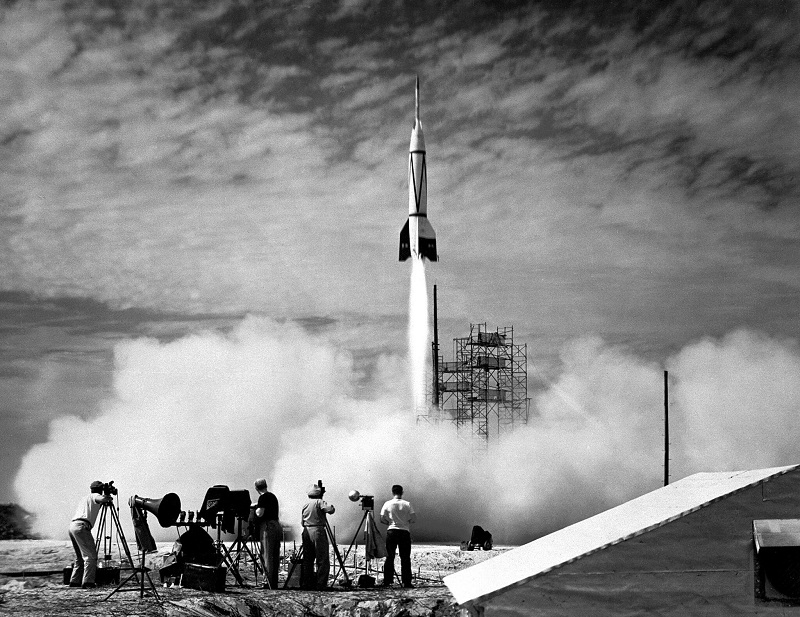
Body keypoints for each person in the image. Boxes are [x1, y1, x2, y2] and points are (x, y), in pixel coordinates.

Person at [68, 481, 113, 588]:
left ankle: (75, 581)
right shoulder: (95, 496)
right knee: (91, 556)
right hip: (82, 527)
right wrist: (107, 496)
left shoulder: (85, 498)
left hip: (73, 525)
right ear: (100, 489)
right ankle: (88, 582)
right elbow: (103, 499)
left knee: (80, 557)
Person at [380, 484, 416, 588]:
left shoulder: (387, 504)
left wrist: (390, 522)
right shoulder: (407, 504)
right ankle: (406, 582)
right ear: (402, 492)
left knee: (390, 557)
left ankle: (387, 581)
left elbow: (382, 518)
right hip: (404, 532)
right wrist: (405, 522)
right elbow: (414, 518)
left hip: (391, 531)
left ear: (392, 492)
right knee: (405, 557)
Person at [301, 482, 335, 590]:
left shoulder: (305, 504)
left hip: (306, 530)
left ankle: (307, 583)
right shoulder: (319, 502)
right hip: (317, 530)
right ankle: (321, 583)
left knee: (308, 559)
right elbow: (330, 510)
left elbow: (302, 521)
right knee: (322, 558)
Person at [253, 478, 281, 589]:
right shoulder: (272, 496)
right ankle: (273, 581)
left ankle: (267, 582)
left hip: (267, 526)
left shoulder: (263, 497)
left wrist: (255, 509)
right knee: (274, 554)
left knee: (267, 555)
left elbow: (260, 513)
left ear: (256, 488)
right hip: (276, 525)